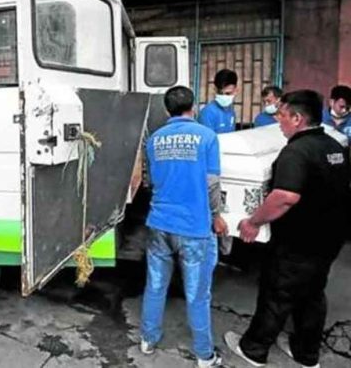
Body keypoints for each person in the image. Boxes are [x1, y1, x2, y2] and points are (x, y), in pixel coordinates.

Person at [225, 90, 351, 368]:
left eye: (282, 115)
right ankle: (306, 355)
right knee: (312, 295)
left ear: (297, 118)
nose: (278, 121)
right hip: (329, 239)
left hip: (299, 241)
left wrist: (253, 222)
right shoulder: (334, 147)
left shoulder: (296, 152)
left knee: (277, 293)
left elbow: (285, 197)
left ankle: (253, 350)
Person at [140, 86, 228, 368]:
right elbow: (212, 183)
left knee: (155, 286)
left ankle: (147, 339)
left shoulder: (154, 140)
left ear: (167, 110)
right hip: (194, 227)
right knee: (198, 294)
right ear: (194, 106)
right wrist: (216, 215)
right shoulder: (206, 137)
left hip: (159, 224)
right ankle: (204, 355)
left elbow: (149, 182)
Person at [198, 69, 238, 133]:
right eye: (220, 93)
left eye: (228, 93)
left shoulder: (231, 112)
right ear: (215, 89)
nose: (224, 96)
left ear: (236, 90)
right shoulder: (208, 113)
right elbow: (208, 140)